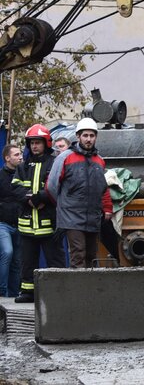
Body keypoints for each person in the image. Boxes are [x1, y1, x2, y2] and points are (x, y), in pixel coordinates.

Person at [47, 118, 112, 269]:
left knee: (91, 256)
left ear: (96, 137)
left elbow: (102, 188)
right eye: (85, 135)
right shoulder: (65, 157)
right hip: (71, 217)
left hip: (93, 217)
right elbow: (51, 186)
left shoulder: (99, 161)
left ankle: (89, 291)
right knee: (78, 254)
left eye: (92, 136)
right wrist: (64, 205)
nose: (88, 139)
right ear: (78, 137)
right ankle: (76, 291)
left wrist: (107, 207)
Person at [12, 125, 65, 302]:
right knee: (27, 261)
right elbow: (15, 187)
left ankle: (59, 291)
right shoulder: (23, 165)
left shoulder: (54, 162)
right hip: (27, 223)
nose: (34, 146)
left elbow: (57, 187)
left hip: (48, 222)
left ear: (46, 143)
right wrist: (29, 199)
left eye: (38, 143)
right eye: (32, 143)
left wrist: (42, 198)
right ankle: (28, 292)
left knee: (55, 260)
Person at [0, 145, 25, 297]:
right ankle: (2, 292)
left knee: (17, 261)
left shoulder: (24, 175)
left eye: (21, 154)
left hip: (21, 223)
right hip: (3, 224)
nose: (20, 157)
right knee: (7, 252)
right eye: (16, 154)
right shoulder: (0, 176)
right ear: (7, 158)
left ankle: (14, 294)